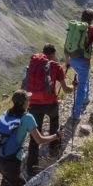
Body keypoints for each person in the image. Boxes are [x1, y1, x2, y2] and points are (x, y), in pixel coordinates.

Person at [25, 43, 73, 176]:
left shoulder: (33, 65)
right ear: (52, 54)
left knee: (35, 135)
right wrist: (74, 86)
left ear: (43, 52)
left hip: (33, 104)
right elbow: (65, 89)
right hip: (50, 103)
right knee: (54, 120)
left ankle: (31, 168)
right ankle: (54, 148)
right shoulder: (56, 66)